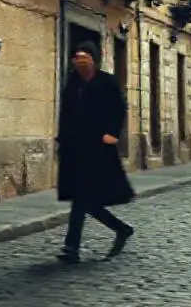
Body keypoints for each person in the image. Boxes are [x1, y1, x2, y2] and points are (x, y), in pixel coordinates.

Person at [56, 41, 135, 263]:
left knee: (83, 200)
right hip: (77, 150)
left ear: (93, 60)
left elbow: (119, 108)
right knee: (83, 200)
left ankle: (73, 248)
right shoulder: (72, 83)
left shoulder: (107, 81)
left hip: (99, 149)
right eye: (77, 58)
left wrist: (112, 133)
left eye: (84, 57)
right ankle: (119, 230)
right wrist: (62, 139)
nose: (80, 61)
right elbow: (67, 113)